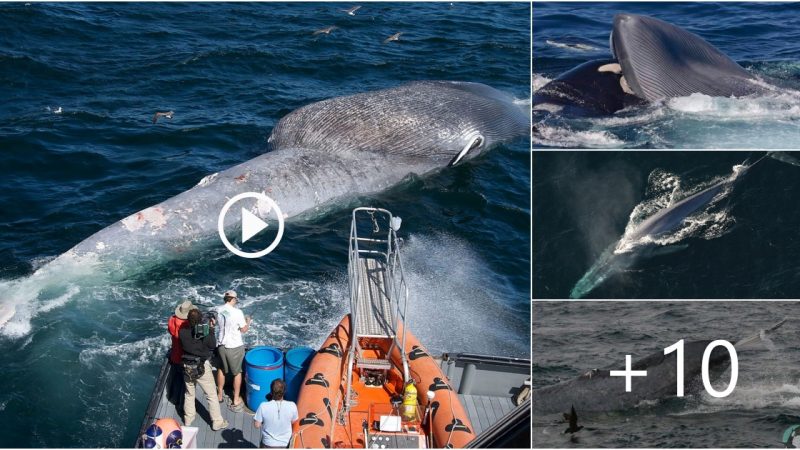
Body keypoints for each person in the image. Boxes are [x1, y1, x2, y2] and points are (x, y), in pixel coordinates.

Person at [179, 308, 229, 431]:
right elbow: (212, 345)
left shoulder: (182, 332)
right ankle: (217, 422)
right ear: (200, 320)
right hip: (201, 367)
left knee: (189, 393)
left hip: (187, 366)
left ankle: (188, 418)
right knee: (211, 395)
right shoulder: (204, 332)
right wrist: (211, 328)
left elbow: (190, 338)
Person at [215, 290, 252, 412]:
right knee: (237, 373)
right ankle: (235, 399)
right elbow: (243, 330)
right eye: (236, 299)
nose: (236, 301)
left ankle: (219, 395)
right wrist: (248, 322)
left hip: (221, 346)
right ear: (232, 299)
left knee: (221, 369)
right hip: (234, 347)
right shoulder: (238, 312)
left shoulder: (218, 309)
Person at [166, 300, 194, 413]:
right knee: (185, 384)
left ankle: (174, 399)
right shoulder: (188, 325)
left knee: (177, 378)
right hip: (186, 357)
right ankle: (181, 406)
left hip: (175, 355)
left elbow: (171, 330)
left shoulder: (172, 320)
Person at [254, 379, 298, 448]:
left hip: (267, 443)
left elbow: (257, 425)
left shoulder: (263, 406)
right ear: (284, 392)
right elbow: (294, 422)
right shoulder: (292, 406)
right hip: (285, 444)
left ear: (271, 392)